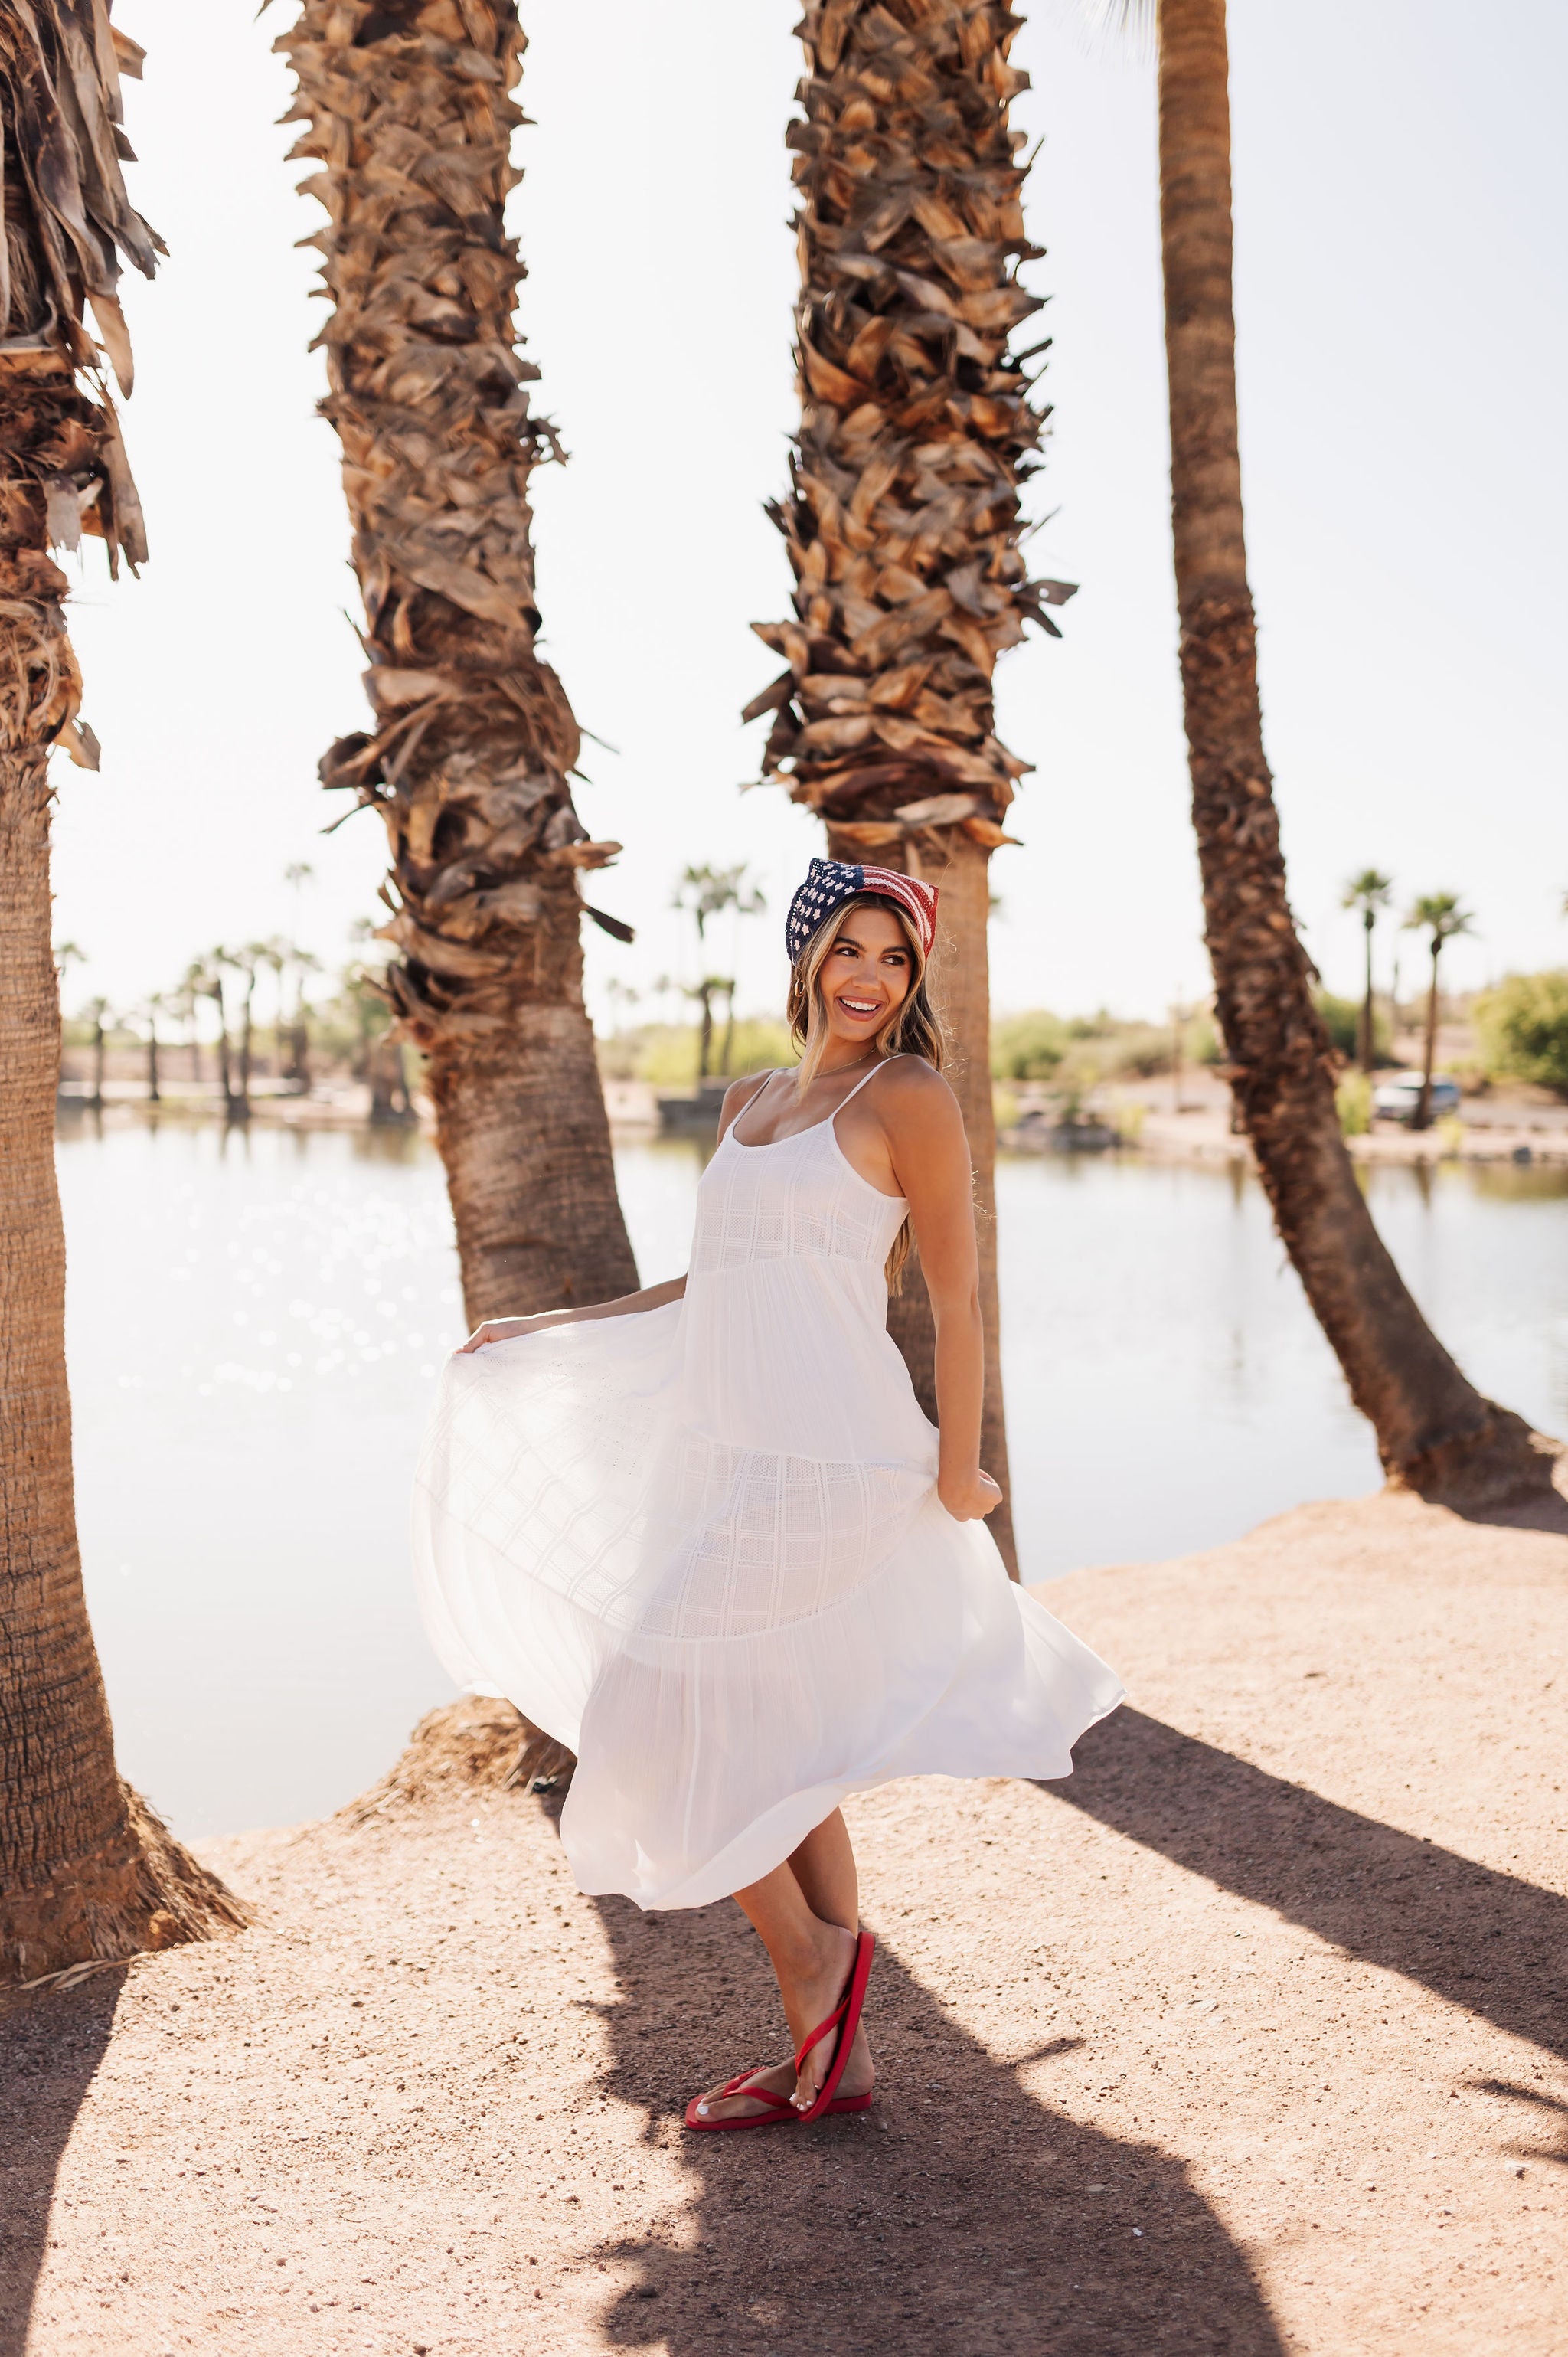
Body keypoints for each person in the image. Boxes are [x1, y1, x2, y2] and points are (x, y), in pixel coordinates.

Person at [413, 857, 1124, 2130]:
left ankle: (814, 1958)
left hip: (840, 1461)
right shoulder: (754, 1100)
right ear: (808, 957)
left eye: (894, 958)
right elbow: (716, 1282)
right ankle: (833, 2049)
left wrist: (963, 1470)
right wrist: (550, 1321)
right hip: (738, 1461)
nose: (872, 977)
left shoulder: (909, 1092)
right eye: (850, 949)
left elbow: (956, 1294)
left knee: (653, 1694)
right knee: (780, 1739)